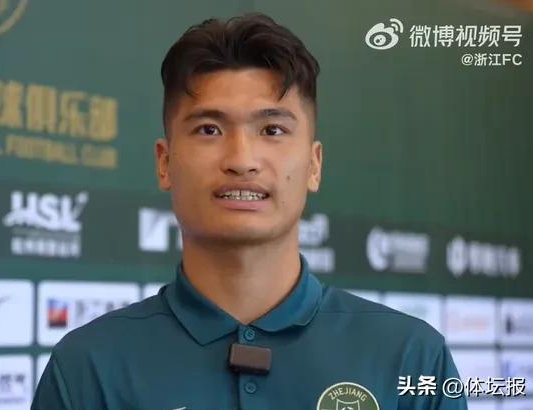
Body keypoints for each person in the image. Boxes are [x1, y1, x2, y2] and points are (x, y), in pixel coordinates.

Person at [32, 13, 467, 410]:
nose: (242, 160)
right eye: (209, 129)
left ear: (314, 165)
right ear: (164, 163)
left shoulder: (411, 356)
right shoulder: (88, 365)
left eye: (272, 129)